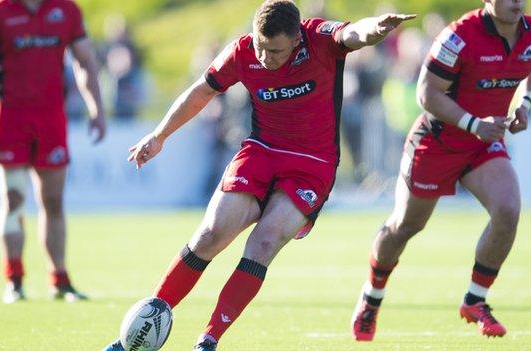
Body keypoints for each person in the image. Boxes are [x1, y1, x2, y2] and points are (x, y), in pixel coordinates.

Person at [104, 1, 414, 350]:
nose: (265, 57)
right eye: (260, 46)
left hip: (313, 164)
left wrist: (377, 27)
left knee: (263, 243)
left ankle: (208, 340)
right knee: (209, 235)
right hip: (262, 153)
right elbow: (203, 90)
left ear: (296, 39)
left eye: (276, 50)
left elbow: (355, 32)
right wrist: (160, 135)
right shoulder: (241, 52)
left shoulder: (318, 39)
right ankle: (142, 326)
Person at [351, 0, 531, 341]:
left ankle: (475, 300)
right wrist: (473, 123)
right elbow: (426, 92)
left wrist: (525, 102)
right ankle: (371, 297)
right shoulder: (459, 35)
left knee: (508, 209)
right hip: (438, 141)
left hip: (481, 143)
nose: (518, 2)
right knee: (405, 226)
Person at [0, 0, 106, 303]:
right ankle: (14, 280)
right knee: (12, 200)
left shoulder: (66, 11)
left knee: (53, 201)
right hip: (11, 119)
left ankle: (60, 280)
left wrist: (96, 108)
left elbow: (85, 61)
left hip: (51, 118)